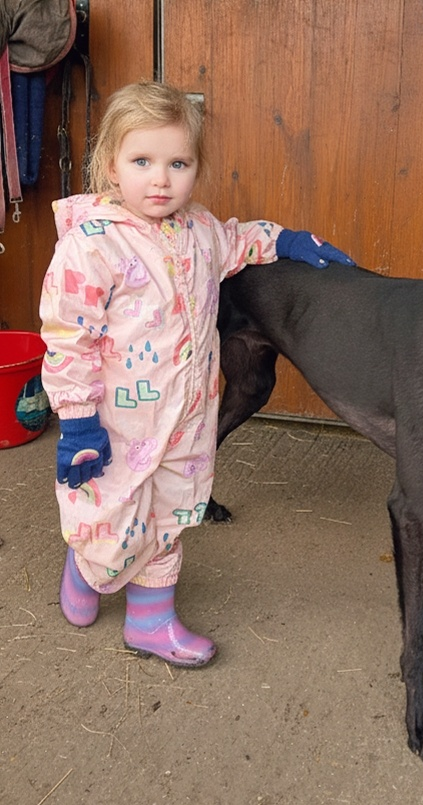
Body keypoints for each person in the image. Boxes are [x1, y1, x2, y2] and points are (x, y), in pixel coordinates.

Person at [40, 81, 354, 667]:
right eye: (142, 162)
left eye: (178, 163)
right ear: (111, 165)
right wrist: (78, 420)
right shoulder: (92, 246)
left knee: (170, 512)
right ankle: (86, 570)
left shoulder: (199, 229)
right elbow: (66, 337)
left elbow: (237, 241)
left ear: (196, 168)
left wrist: (283, 240)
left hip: (185, 415)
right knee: (112, 511)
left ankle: (151, 621)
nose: (161, 180)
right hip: (115, 423)